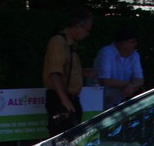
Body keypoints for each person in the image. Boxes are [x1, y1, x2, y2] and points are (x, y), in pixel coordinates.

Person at [43, 8, 92, 136]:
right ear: (77, 26)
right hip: (61, 98)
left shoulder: (71, 44)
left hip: (70, 98)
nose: (87, 34)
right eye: (87, 30)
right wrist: (65, 100)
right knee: (60, 137)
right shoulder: (59, 41)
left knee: (72, 137)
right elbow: (54, 73)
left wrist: (81, 73)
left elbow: (65, 70)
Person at [93, 28, 145, 109]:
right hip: (100, 101)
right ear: (121, 43)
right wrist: (128, 85)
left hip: (121, 101)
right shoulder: (106, 53)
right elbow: (106, 80)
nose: (135, 44)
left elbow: (139, 79)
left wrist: (131, 86)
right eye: (132, 42)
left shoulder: (134, 55)